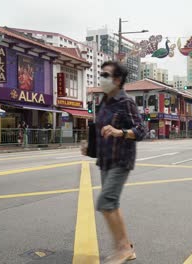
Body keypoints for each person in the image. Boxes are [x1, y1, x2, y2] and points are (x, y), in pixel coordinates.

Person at [81, 61, 145, 264]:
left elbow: (141, 130)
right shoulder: (103, 102)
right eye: (101, 74)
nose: (102, 78)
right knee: (112, 203)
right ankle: (127, 248)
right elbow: (100, 129)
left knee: (105, 202)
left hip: (121, 160)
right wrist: (90, 146)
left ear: (117, 80)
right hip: (105, 160)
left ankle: (124, 248)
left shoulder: (126, 102)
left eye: (106, 75)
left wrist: (121, 132)